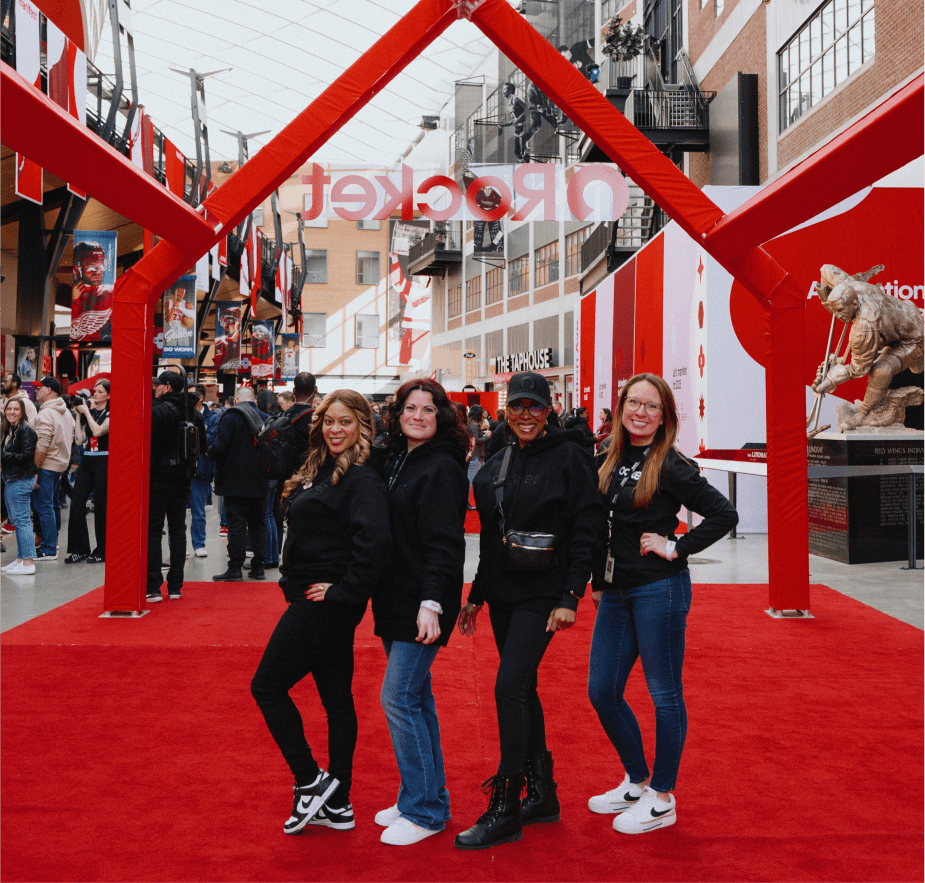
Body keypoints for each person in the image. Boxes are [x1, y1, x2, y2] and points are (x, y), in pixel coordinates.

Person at [454, 371, 605, 850]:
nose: (525, 415)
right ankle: (544, 794)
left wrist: (571, 596)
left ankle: (508, 804)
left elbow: (588, 530)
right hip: (502, 594)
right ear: (505, 410)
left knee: (508, 686)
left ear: (548, 411)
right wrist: (476, 594)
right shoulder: (495, 463)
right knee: (522, 687)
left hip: (545, 593)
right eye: (517, 406)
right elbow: (493, 542)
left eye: (534, 407)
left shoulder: (570, 458)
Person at [588, 373, 738, 835]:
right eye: (634, 403)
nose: (641, 412)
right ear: (621, 408)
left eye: (652, 406)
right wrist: (597, 581)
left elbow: (725, 513)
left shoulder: (670, 464)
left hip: (660, 589)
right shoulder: (607, 458)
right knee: (603, 690)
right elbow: (600, 525)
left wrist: (677, 546)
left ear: (664, 415)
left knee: (664, 694)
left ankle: (662, 797)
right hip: (615, 592)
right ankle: (637, 781)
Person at [250, 390, 391, 835]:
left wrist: (343, 593)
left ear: (362, 425)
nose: (335, 429)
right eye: (329, 420)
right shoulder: (323, 467)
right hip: (314, 599)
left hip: (323, 604)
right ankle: (340, 801)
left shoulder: (362, 478)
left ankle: (310, 780)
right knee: (336, 700)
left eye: (345, 422)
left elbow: (376, 546)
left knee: (267, 686)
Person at [372, 379, 469, 846]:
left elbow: (446, 544)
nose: (417, 416)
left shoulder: (443, 468)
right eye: (410, 408)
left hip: (423, 602)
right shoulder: (396, 460)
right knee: (416, 699)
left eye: (427, 410)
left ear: (441, 417)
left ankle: (426, 811)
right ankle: (422, 794)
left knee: (398, 698)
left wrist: (432, 603)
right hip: (394, 598)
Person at [146, 372, 207, 602]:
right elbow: (203, 447)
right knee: (178, 529)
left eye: (158, 385)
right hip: (184, 478)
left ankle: (152, 586)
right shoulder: (195, 413)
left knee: (153, 530)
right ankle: (175, 586)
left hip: (157, 477)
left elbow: (147, 445)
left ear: (167, 387)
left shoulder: (157, 411)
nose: (155, 389)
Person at [211, 386, 269, 581]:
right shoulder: (264, 418)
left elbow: (220, 448)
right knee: (257, 523)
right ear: (253, 400)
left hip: (234, 481)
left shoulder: (231, 416)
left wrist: (210, 452)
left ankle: (235, 568)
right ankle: (258, 567)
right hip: (260, 480)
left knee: (236, 523)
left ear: (237, 399)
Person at [65, 379, 110, 563]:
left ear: (108, 395)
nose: (95, 394)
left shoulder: (110, 412)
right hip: (88, 460)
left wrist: (87, 414)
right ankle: (81, 548)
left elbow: (98, 431)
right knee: (76, 503)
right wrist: (78, 415)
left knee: (101, 506)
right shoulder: (88, 411)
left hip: (104, 460)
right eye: (95, 391)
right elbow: (78, 440)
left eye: (100, 392)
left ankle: (102, 550)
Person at [32, 377, 75, 561]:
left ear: (49, 390)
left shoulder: (46, 414)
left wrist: (34, 469)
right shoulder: (65, 412)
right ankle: (53, 543)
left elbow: (42, 444)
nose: (36, 391)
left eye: (39, 388)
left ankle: (49, 548)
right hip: (60, 465)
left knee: (44, 506)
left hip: (46, 466)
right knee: (53, 505)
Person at [1, 399, 39, 575]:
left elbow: (26, 456)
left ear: (22, 411)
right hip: (12, 479)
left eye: (16, 409)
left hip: (21, 480)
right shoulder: (11, 428)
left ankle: (28, 562)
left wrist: (3, 455)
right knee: (17, 521)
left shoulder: (26, 430)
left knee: (22, 521)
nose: (12, 412)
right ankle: (20, 559)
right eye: (9, 408)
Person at [189, 384, 219, 558]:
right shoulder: (181, 413)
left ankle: (199, 543)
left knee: (198, 510)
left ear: (200, 397)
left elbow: (211, 441)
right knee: (176, 511)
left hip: (201, 469)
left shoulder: (212, 417)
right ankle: (178, 545)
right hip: (181, 468)